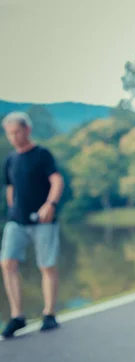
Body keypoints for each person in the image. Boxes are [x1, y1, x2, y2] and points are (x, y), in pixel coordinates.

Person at [1, 112, 64, 338]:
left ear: (27, 130)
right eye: (9, 133)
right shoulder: (10, 159)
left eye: (17, 131)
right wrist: (12, 207)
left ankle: (49, 313)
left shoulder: (42, 154)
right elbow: (10, 187)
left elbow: (56, 180)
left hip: (43, 221)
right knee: (7, 263)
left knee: (46, 265)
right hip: (16, 221)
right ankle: (18, 316)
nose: (14, 137)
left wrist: (50, 204)